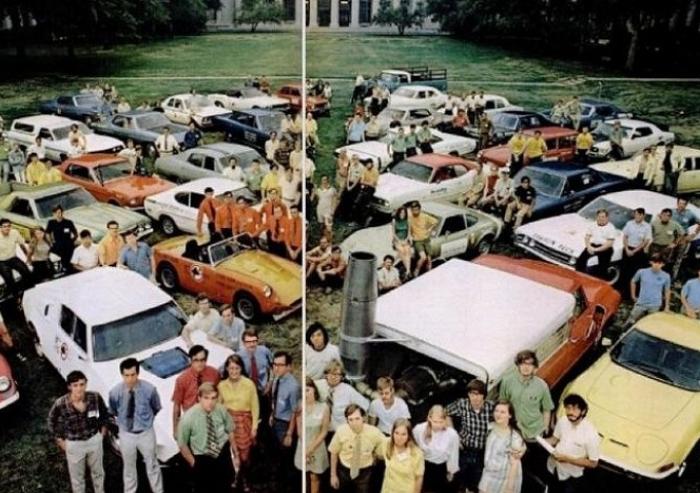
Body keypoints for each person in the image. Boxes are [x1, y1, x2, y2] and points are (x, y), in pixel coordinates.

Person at [48, 370, 109, 493]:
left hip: (94, 440)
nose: (79, 388)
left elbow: (104, 414)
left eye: (82, 384)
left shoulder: (95, 397)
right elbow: (51, 421)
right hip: (74, 444)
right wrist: (59, 440)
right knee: (77, 479)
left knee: (98, 472)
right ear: (69, 387)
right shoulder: (60, 403)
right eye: (75, 385)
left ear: (86, 384)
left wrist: (102, 432)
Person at [108, 358, 164, 493]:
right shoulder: (115, 393)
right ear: (122, 375)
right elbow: (114, 411)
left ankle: (158, 490)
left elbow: (155, 407)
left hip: (146, 433)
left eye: (133, 375)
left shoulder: (149, 390)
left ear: (138, 374)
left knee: (152, 464)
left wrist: (145, 421)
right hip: (126, 434)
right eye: (126, 375)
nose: (130, 379)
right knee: (129, 466)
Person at [177, 382, 237, 493]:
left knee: (226, 485)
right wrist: (193, 463)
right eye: (206, 398)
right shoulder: (188, 418)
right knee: (205, 487)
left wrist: (235, 455)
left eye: (214, 398)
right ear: (199, 398)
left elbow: (230, 430)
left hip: (222, 454)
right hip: (203, 458)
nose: (210, 402)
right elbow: (182, 444)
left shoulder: (221, 410)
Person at [218, 354, 259, 493]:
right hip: (229, 423)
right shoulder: (221, 386)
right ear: (227, 369)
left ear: (241, 368)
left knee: (245, 455)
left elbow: (255, 407)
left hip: (244, 422)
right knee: (232, 454)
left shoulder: (249, 384)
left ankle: (245, 476)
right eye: (231, 368)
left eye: (237, 368)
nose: (234, 371)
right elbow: (218, 407)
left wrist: (254, 427)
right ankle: (237, 478)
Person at [446, 379, 493, 493]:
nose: (475, 398)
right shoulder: (462, 404)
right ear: (468, 394)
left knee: (476, 481)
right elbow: (445, 412)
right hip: (464, 448)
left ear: (484, 395)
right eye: (472, 394)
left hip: (482, 452)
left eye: (479, 394)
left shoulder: (491, 408)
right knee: (459, 479)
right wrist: (454, 434)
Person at [545, 394, 599, 493]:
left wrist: (567, 459)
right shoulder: (563, 421)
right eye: (568, 408)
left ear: (583, 411)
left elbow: (593, 463)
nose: (570, 412)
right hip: (553, 468)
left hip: (571, 476)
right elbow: (554, 439)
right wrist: (539, 441)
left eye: (574, 409)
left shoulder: (591, 433)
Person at [499, 350, 554, 442]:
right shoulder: (507, 381)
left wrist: (545, 427)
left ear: (534, 367)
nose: (526, 367)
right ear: (518, 365)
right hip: (514, 429)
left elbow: (546, 409)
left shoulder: (542, 385)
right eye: (523, 363)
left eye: (530, 364)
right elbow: (502, 404)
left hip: (535, 431)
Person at [328, 404, 385, 493]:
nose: (354, 423)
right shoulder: (341, 431)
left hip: (364, 471)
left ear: (364, 418)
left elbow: (386, 446)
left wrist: (376, 455)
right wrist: (333, 475)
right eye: (350, 419)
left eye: (357, 418)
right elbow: (333, 452)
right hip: (344, 470)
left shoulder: (374, 432)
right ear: (347, 420)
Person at [171, 345, 221, 437]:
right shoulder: (182, 380)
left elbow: (220, 395)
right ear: (190, 360)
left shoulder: (214, 373)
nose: (200, 363)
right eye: (196, 360)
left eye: (202, 360)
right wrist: (175, 428)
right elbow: (177, 405)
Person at [478, 401, 526, 493]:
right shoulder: (490, 427)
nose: (498, 414)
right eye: (496, 411)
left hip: (505, 477)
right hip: (488, 472)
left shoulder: (514, 437)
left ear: (510, 415)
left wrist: (509, 488)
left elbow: (514, 464)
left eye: (503, 412)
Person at [413, 405, 460, 492]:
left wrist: (451, 471)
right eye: (435, 421)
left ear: (445, 420)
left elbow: (454, 455)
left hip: (440, 469)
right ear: (429, 418)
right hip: (423, 466)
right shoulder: (419, 429)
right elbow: (413, 448)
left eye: (441, 422)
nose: (438, 425)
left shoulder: (452, 434)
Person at [296, 378, 330, 493]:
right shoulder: (300, 405)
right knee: (304, 475)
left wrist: (311, 448)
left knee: (314, 476)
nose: (305, 394)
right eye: (303, 391)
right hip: (303, 445)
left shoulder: (324, 407)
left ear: (314, 390)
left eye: (308, 390)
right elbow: (299, 427)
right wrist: (305, 446)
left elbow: (324, 431)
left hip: (317, 446)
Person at [317, 360, 369, 434]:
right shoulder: (319, 386)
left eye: (337, 374)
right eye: (331, 373)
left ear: (341, 377)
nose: (334, 377)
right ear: (326, 375)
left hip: (342, 432)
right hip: (321, 430)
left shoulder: (348, 390)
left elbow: (365, 406)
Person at [625, 254, 671, 327]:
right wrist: (633, 296)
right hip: (641, 302)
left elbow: (667, 290)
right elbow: (633, 281)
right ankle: (622, 334)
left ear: (663, 264)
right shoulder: (642, 272)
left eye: (659, 263)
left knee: (650, 324)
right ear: (651, 262)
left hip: (655, 304)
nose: (657, 265)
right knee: (630, 321)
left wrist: (667, 305)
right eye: (655, 262)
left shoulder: (666, 276)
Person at [380, 418, 425, 493]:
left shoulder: (417, 453)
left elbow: (419, 477)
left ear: (409, 435)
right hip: (388, 489)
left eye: (403, 434)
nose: (399, 438)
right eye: (396, 433)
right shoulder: (386, 443)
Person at [575, 209, 615, 279]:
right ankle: (578, 277)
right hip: (592, 245)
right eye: (599, 216)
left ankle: (600, 281)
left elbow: (609, 243)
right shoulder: (593, 225)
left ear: (607, 218)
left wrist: (596, 250)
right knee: (580, 261)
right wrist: (588, 247)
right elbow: (587, 237)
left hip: (605, 248)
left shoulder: (611, 227)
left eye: (603, 217)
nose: (600, 218)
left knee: (602, 268)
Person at [0, 219, 33, 297]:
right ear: (0, 227)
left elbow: (22, 245)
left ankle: (29, 291)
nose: (7, 228)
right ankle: (16, 297)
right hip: (1, 261)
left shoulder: (14, 232)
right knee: (9, 279)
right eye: (4, 227)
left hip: (13, 258)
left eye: (8, 226)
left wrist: (28, 258)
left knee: (26, 271)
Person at [237, 328, 274, 395]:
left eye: (254, 341)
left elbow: (273, 367)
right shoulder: (238, 356)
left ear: (258, 341)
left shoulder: (265, 351)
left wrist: (270, 383)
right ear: (243, 343)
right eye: (248, 342)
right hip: (246, 392)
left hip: (264, 390)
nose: (252, 344)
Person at [621, 208, 652, 287]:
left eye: (639, 215)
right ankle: (621, 288)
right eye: (636, 214)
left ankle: (629, 291)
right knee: (623, 269)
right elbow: (625, 237)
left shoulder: (647, 227)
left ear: (643, 216)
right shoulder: (629, 223)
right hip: (627, 249)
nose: (637, 216)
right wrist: (627, 249)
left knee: (633, 271)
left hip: (638, 251)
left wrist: (634, 251)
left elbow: (645, 241)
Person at [408, 201, 438, 277]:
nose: (415, 211)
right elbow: (408, 230)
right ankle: (417, 270)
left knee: (429, 259)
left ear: (419, 209)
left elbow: (435, 221)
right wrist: (410, 237)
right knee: (423, 257)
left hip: (426, 239)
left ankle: (429, 274)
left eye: (417, 209)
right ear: (411, 210)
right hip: (417, 241)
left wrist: (430, 229)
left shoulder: (424, 216)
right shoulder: (410, 218)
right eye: (413, 210)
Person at [391, 206, 413, 277]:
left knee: (407, 251)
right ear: (398, 213)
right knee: (401, 251)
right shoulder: (394, 221)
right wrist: (399, 241)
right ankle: (408, 270)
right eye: (401, 213)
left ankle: (408, 271)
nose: (402, 214)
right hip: (397, 240)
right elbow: (394, 233)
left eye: (404, 213)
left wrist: (406, 239)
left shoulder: (408, 221)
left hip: (405, 239)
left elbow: (409, 232)